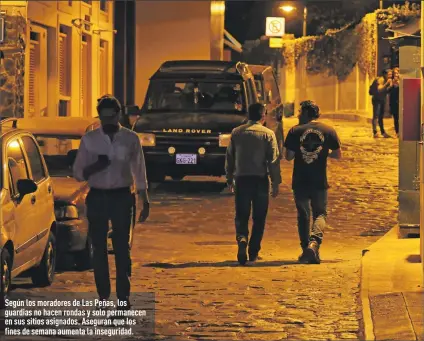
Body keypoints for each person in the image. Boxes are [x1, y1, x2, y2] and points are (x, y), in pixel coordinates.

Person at [73, 95, 150, 309]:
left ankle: (123, 296)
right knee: (98, 248)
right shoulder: (89, 139)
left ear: (118, 115)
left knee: (122, 247)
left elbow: (139, 170)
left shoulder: (131, 139)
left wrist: (144, 198)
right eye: (103, 116)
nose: (107, 121)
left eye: (111, 116)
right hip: (97, 196)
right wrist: (96, 166)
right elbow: (78, 173)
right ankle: (103, 295)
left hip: (122, 197)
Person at [284, 100, 341, 264]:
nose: (298, 115)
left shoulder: (295, 131)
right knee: (320, 214)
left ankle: (305, 250)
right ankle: (314, 243)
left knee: (303, 215)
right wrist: (323, 153)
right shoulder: (328, 130)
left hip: (300, 180)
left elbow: (288, 156)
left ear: (308, 113)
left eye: (300, 112)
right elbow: (338, 154)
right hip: (319, 180)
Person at [225, 103, 281, 265]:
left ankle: (242, 239)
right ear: (263, 116)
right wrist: (276, 182)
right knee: (259, 217)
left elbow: (229, 157)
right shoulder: (268, 134)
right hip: (260, 180)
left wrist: (229, 177)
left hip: (242, 179)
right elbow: (274, 161)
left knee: (241, 215)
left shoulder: (237, 132)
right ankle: (253, 250)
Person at [370, 69, 392, 138]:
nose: (390, 76)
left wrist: (390, 86)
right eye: (389, 74)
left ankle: (383, 132)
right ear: (385, 74)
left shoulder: (387, 80)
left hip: (382, 100)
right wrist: (387, 84)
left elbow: (386, 91)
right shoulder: (381, 79)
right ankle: (375, 132)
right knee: (376, 116)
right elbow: (379, 89)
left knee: (380, 117)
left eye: (391, 74)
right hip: (377, 100)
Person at [390, 67, 400, 137]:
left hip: (400, 102)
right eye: (395, 73)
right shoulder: (391, 81)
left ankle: (401, 132)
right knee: (395, 118)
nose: (396, 74)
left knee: (401, 118)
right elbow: (390, 91)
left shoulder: (401, 81)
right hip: (393, 102)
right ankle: (397, 132)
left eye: (397, 73)